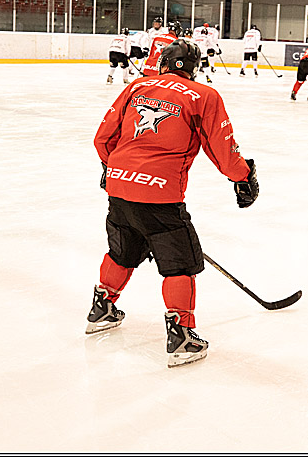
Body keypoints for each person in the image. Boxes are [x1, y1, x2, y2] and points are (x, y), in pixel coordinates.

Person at [88, 38, 259, 368]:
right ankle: (181, 337)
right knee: (180, 262)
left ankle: (102, 309)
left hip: (120, 189)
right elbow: (221, 148)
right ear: (194, 69)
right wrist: (242, 177)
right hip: (161, 196)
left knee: (122, 251)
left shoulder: (137, 87)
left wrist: (113, 169)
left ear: (163, 62)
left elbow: (103, 138)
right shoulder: (204, 96)